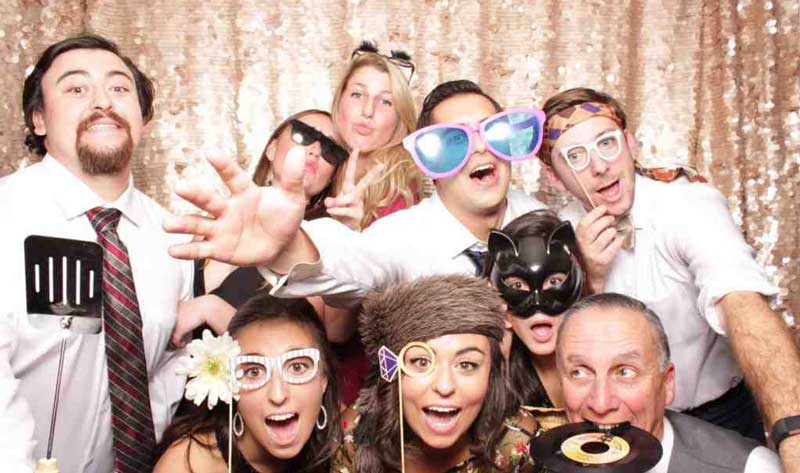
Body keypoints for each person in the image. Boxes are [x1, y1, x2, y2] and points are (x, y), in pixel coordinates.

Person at [538, 87, 800, 463]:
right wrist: (590, 278)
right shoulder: (556, 234)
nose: (599, 166)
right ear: (555, 176)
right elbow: (556, 354)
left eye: (608, 144)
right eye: (576, 157)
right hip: (611, 417)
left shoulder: (687, 204)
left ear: (630, 144)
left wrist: (792, 434)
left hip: (718, 416)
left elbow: (742, 304)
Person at [163, 80, 547, 310]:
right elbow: (347, 262)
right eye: (453, 142)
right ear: (429, 164)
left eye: (492, 132)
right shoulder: (402, 238)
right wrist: (285, 246)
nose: (480, 150)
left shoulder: (546, 222)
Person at [0, 35, 194, 472]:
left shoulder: (173, 240)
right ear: (38, 119)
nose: (103, 101)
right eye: (76, 88)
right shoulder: (6, 217)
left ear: (142, 117)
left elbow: (156, 384)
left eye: (120, 88)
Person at [169, 110, 361, 347]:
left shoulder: (317, 249)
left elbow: (329, 336)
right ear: (271, 148)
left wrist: (349, 238)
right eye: (304, 134)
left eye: (331, 150)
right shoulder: (213, 225)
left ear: (331, 176)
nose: (316, 150)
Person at [555, 293, 781, 472]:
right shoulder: (535, 461)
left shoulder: (750, 468)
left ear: (667, 383)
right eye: (580, 373)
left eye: (625, 372)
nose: (601, 404)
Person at [334, 274, 538, 473]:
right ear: (392, 370)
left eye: (466, 365)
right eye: (421, 362)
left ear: (491, 373)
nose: (444, 386)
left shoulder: (519, 443)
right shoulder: (356, 436)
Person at [154, 293, 342, 473]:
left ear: (323, 380)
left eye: (298, 367)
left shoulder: (346, 449)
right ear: (231, 385)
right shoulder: (187, 465)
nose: (278, 395)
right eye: (254, 372)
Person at [484, 209, 585, 409]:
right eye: (518, 286)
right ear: (493, 292)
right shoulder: (481, 373)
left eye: (554, 282)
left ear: (579, 283)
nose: (538, 303)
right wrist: (499, 361)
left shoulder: (607, 358)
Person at [327, 40, 423, 228]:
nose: (368, 111)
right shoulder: (324, 165)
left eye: (385, 101)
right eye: (357, 94)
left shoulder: (399, 193)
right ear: (339, 100)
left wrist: (351, 232)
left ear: (399, 118)